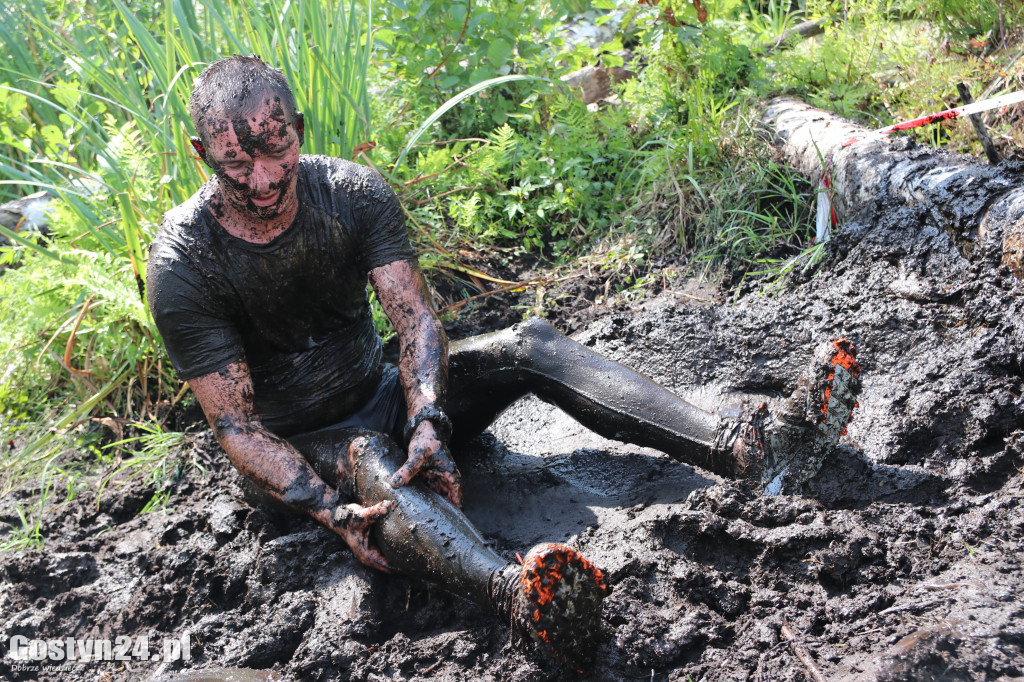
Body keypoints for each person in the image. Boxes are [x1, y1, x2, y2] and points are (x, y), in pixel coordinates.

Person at [147, 55, 860, 665]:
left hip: (377, 390)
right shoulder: (185, 262)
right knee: (366, 450)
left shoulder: (352, 194)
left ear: (298, 127)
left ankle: (749, 451)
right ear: (201, 155)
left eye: (277, 150)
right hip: (298, 448)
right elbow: (238, 429)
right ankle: (521, 601)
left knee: (529, 343)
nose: (264, 179)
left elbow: (414, 317)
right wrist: (333, 511)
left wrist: (427, 414)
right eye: (237, 164)